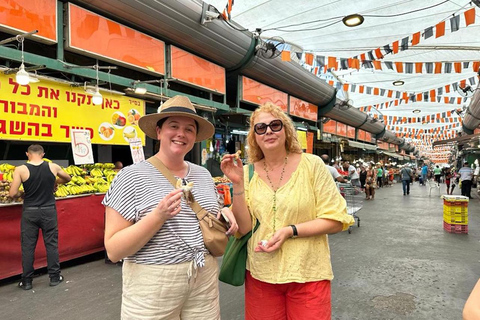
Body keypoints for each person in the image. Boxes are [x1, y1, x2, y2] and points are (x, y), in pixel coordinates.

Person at [102, 96, 238, 319]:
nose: (181, 134)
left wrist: (223, 213)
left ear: (194, 137)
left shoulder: (203, 175)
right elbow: (114, 250)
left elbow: (207, 219)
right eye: (173, 126)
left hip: (204, 277)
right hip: (152, 284)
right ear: (158, 131)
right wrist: (158, 215)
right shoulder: (131, 176)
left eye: (189, 129)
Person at [220, 102, 354, 320]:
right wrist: (237, 185)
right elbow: (244, 228)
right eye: (261, 128)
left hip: (308, 274)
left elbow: (336, 220)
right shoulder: (246, 172)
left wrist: (290, 231)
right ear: (254, 137)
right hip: (261, 275)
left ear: (286, 130)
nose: (269, 131)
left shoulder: (312, 165)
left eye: (275, 125)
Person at [9, 144, 71, 290]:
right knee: (51, 244)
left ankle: (27, 281)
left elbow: (12, 193)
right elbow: (68, 178)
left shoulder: (21, 170)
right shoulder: (53, 167)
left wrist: (22, 194)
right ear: (42, 154)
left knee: (28, 246)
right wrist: (54, 182)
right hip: (49, 210)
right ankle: (55, 277)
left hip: (30, 212)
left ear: (27, 154)